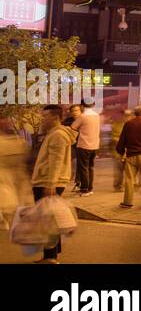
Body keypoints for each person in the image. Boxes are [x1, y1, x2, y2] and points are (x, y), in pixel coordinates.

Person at [31, 105, 76, 263]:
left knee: (48, 220)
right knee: (51, 219)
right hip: (48, 180)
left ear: (55, 117)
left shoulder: (58, 135)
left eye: (45, 116)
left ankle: (50, 257)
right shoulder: (55, 133)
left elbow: (56, 161)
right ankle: (51, 254)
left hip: (48, 181)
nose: (42, 119)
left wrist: (50, 184)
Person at [71, 103, 101, 196]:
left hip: (84, 145)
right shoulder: (97, 116)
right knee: (90, 167)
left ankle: (84, 189)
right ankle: (90, 188)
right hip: (94, 146)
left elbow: (73, 127)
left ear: (83, 106)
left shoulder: (83, 116)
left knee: (83, 168)